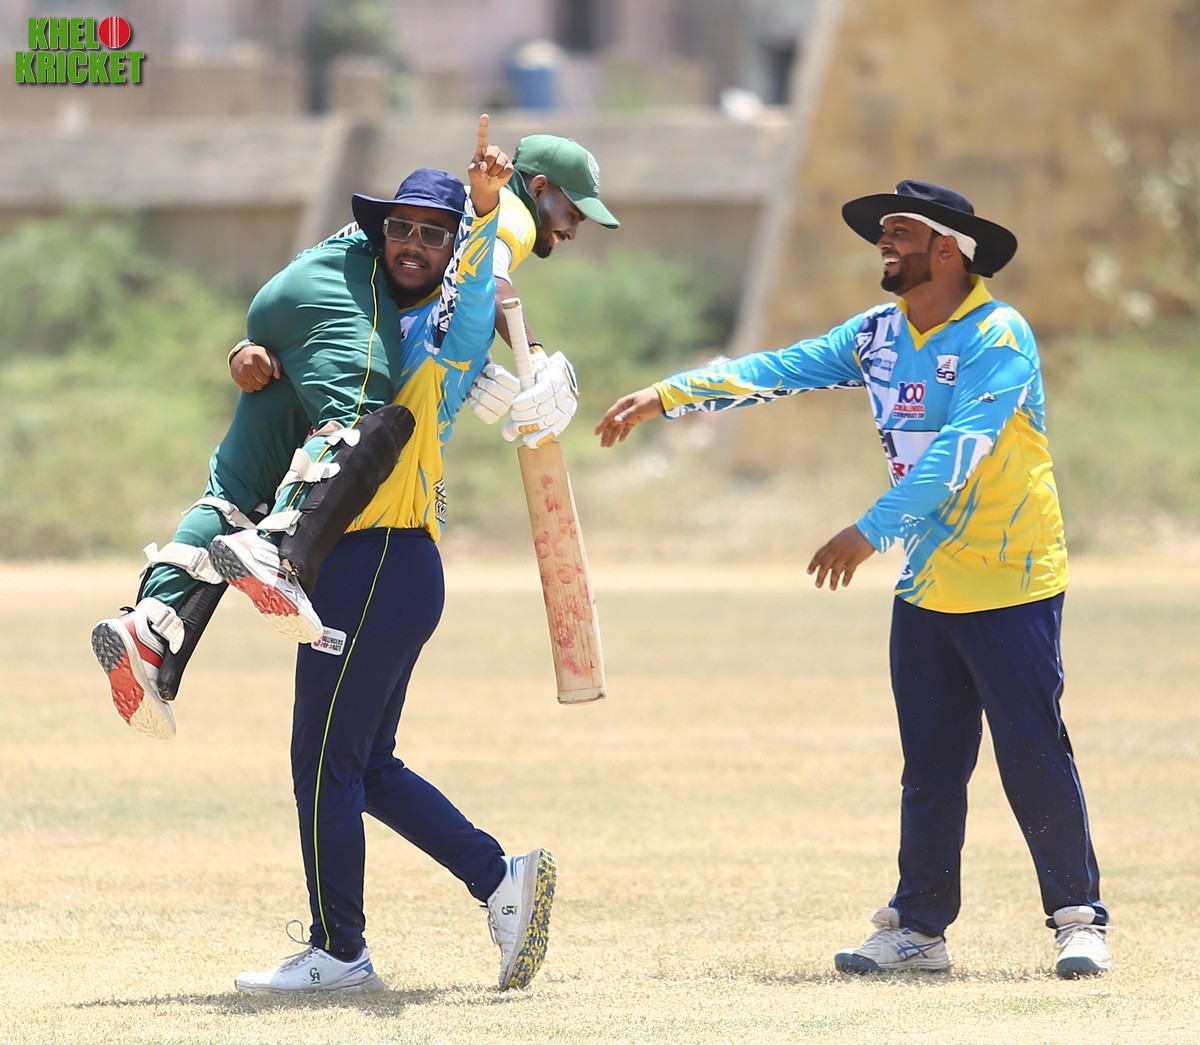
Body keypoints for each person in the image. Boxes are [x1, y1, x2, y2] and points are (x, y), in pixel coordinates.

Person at [594, 180, 1112, 981]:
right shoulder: (878, 334)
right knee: (930, 764)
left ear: (949, 249)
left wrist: (869, 531)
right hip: (927, 583)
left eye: (900, 230)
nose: (884, 242)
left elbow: (961, 450)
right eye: (883, 231)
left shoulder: (999, 334)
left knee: (1031, 752)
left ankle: (1079, 921)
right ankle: (918, 928)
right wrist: (669, 394)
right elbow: (781, 368)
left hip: (1012, 579)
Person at [90, 119, 592, 739]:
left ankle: (148, 629)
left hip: (293, 332)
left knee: (234, 496)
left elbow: (447, 296)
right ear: (539, 188)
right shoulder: (502, 218)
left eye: (431, 234)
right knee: (370, 418)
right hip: (370, 527)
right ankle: (278, 554)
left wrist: (478, 361)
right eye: (573, 210)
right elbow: (487, 267)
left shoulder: (397, 275)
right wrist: (531, 356)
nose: (572, 228)